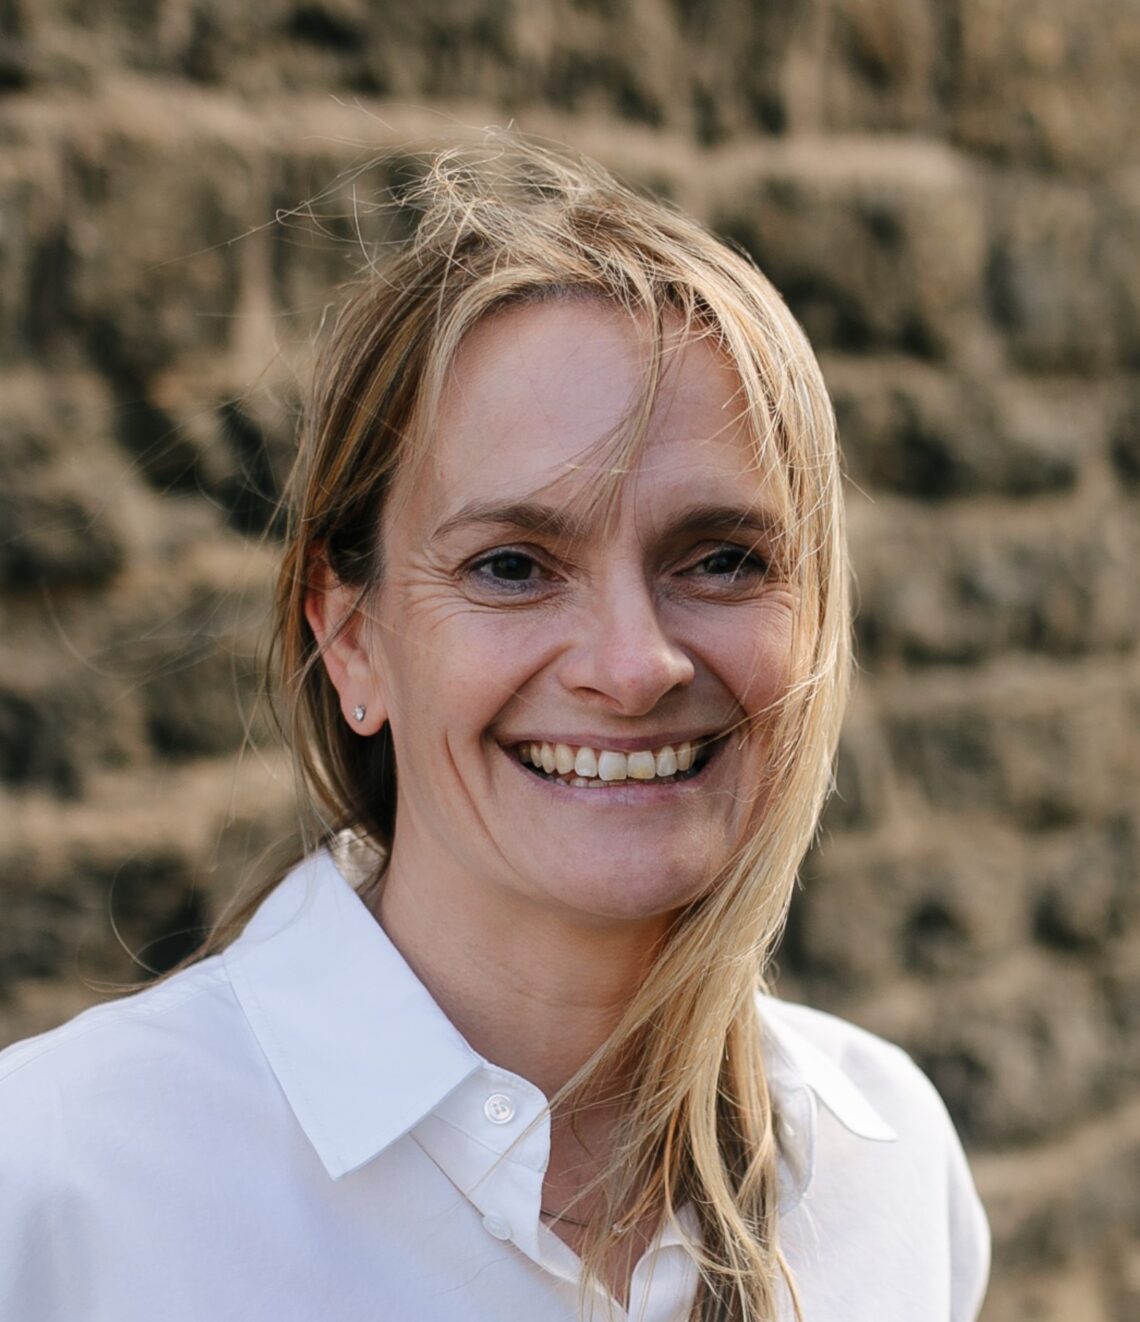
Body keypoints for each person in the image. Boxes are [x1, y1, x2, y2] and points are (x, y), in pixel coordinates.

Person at [0, 138, 989, 1321]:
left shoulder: (889, 1163)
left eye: (723, 558)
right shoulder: (62, 1181)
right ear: (351, 638)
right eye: (513, 565)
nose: (634, 665)